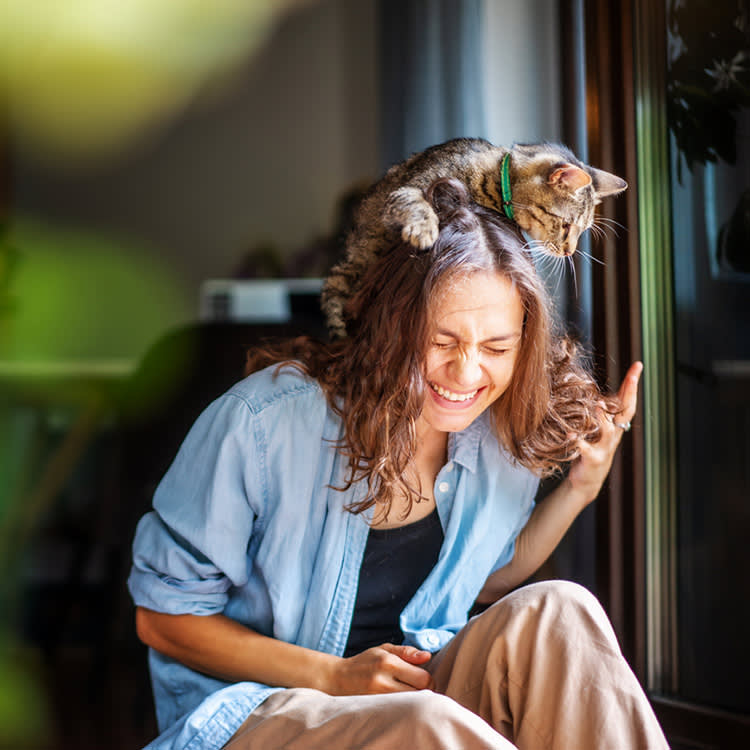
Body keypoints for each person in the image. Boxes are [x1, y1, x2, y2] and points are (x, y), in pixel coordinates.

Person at [128, 179, 669, 749]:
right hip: (260, 711)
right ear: (394, 324)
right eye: (443, 340)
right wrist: (334, 679)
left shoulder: (497, 429)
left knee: (563, 609)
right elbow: (162, 619)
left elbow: (484, 578)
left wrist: (582, 486)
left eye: (496, 348)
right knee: (425, 721)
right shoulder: (263, 423)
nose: (467, 374)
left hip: (419, 694)